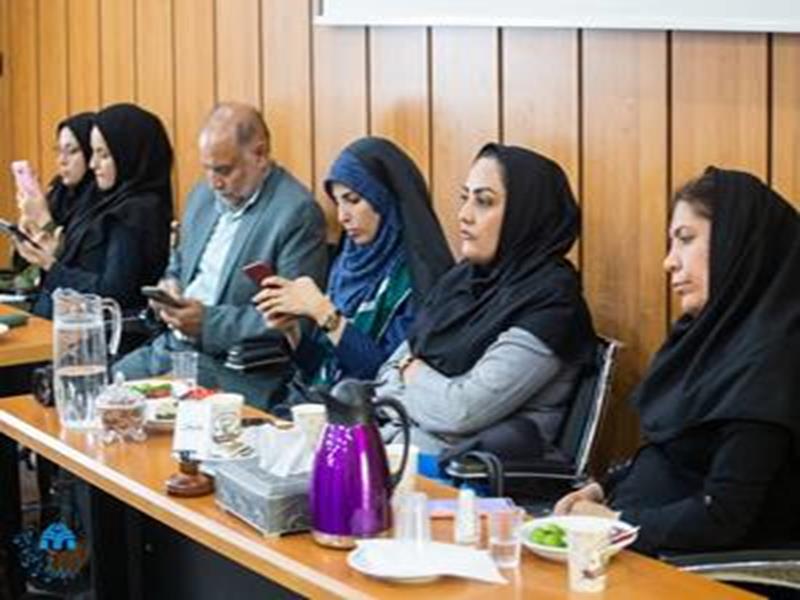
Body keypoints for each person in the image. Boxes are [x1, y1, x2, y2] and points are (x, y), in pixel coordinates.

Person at [554, 168, 800, 556]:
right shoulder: (709, 341)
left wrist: (615, 523)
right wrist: (602, 489)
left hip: (701, 571)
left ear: (737, 244)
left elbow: (724, 517)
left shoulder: (771, 362)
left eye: (685, 239)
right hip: (645, 549)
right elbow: (675, 455)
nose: (669, 262)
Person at [376, 143, 597, 457]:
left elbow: (460, 412)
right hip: (404, 449)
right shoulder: (462, 281)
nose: (464, 215)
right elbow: (386, 373)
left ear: (526, 214)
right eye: (464, 198)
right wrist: (416, 390)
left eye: (484, 202)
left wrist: (410, 374)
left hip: (470, 474)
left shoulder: (552, 303)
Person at [114, 103, 328, 405]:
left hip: (236, 368)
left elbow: (294, 318)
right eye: (208, 169)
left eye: (224, 170)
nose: (214, 182)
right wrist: (169, 288)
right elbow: (178, 264)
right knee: (107, 390)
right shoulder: (202, 195)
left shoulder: (295, 213)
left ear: (259, 154)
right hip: (174, 347)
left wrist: (207, 323)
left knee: (147, 407)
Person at [253, 137, 452, 390]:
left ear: (384, 198)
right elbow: (325, 368)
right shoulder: (347, 264)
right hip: (321, 402)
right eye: (338, 202)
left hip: (375, 410)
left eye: (353, 200)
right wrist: (292, 330)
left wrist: (323, 312)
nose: (342, 216)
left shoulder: (419, 277)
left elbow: (386, 375)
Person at [13, 104, 174, 322]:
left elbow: (113, 293)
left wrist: (50, 263)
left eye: (103, 155)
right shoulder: (105, 203)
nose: (92, 164)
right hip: (63, 320)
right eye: (93, 152)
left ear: (127, 154)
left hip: (100, 332)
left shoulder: (137, 211)